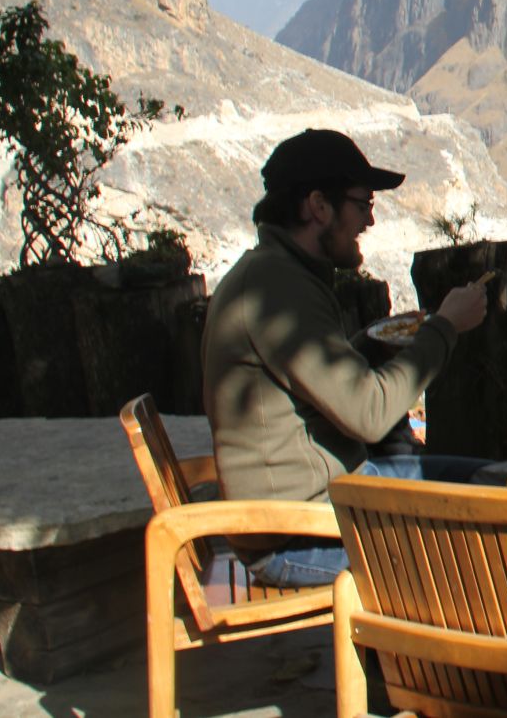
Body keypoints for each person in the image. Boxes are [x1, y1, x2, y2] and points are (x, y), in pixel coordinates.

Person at [202, 128, 490, 587]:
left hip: (329, 499)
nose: (369, 222)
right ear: (318, 206)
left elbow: (303, 384)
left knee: (494, 482)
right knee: (492, 543)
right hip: (298, 535)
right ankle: (428, 658)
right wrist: (445, 326)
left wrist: (364, 346)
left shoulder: (277, 274)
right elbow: (369, 415)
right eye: (363, 205)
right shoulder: (277, 290)